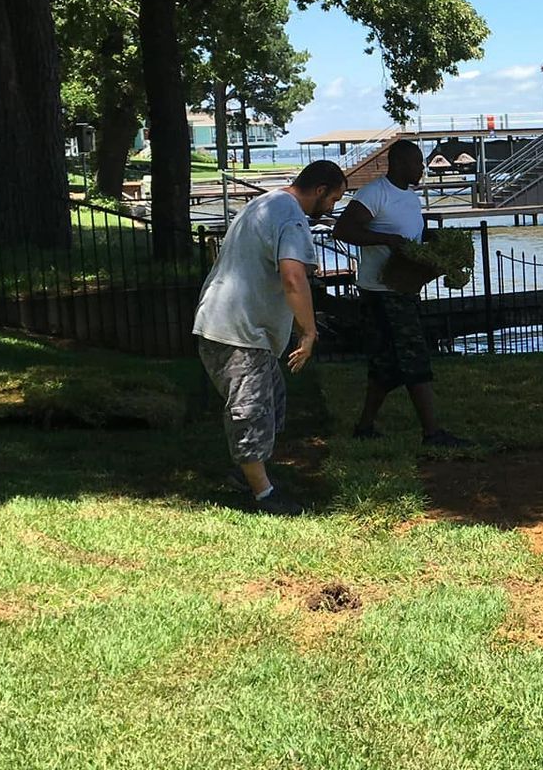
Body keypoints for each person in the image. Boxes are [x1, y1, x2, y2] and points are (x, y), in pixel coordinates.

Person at [192, 159, 348, 515]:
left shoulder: (265, 203)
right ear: (320, 190)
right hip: (239, 332)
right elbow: (293, 277)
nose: (333, 208)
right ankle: (264, 495)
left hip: (225, 323)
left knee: (272, 401)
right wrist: (308, 332)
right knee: (251, 411)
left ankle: (244, 472)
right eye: (334, 200)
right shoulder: (291, 217)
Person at [333, 138, 469, 444]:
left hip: (403, 288)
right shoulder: (374, 194)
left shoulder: (409, 197)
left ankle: (364, 428)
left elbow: (410, 237)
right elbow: (343, 230)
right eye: (417, 162)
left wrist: (433, 243)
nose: (422, 167)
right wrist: (387, 240)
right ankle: (432, 432)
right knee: (414, 358)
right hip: (381, 292)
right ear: (399, 163)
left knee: (385, 364)